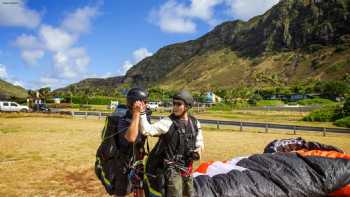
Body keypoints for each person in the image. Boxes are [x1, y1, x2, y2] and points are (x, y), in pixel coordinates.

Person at [140, 90, 204, 197]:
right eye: (174, 104)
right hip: (172, 170)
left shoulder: (195, 123)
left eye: (179, 104)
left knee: (189, 194)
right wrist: (142, 113)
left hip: (187, 168)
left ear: (187, 106)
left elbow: (200, 143)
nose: (175, 107)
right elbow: (147, 130)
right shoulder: (167, 122)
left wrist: (197, 152)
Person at [114, 87, 150, 197]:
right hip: (124, 162)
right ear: (135, 103)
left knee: (139, 188)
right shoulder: (124, 120)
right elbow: (131, 138)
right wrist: (136, 114)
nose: (147, 104)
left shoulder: (145, 116)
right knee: (121, 192)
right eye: (144, 102)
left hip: (138, 160)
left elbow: (148, 131)